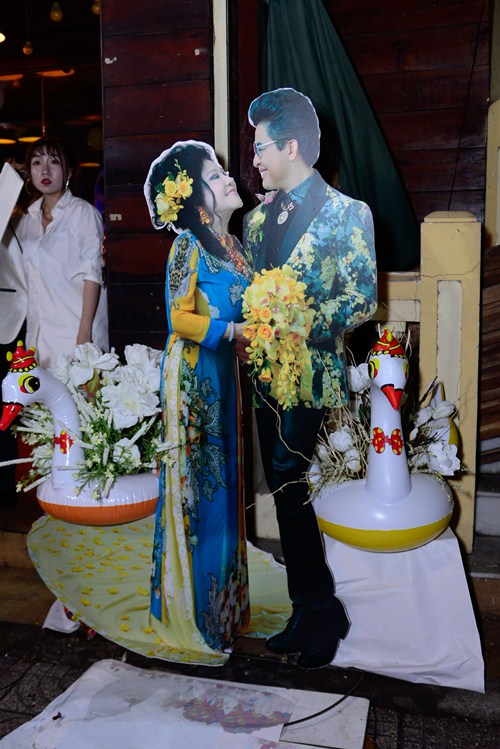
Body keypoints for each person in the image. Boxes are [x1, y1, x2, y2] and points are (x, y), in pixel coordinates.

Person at [242, 88, 378, 669]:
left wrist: (298, 319)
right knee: (285, 491)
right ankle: (309, 609)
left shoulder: (350, 213)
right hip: (262, 375)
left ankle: (321, 609)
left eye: (260, 147)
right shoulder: (253, 221)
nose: (254, 159)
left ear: (291, 147)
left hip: (314, 374)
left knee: (289, 480)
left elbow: (364, 300)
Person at [143, 140, 252, 655]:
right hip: (192, 377)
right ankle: (197, 617)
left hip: (224, 373)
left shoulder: (233, 246)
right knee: (203, 491)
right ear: (194, 199)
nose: (229, 177)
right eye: (215, 174)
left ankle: (226, 614)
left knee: (227, 486)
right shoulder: (187, 244)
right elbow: (178, 317)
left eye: (224, 170)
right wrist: (234, 333)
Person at [12, 136, 108, 369]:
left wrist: (84, 335)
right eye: (37, 162)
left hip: (75, 334)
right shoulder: (27, 221)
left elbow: (93, 273)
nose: (45, 170)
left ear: (69, 172)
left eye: (54, 162)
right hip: (39, 339)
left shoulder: (82, 213)